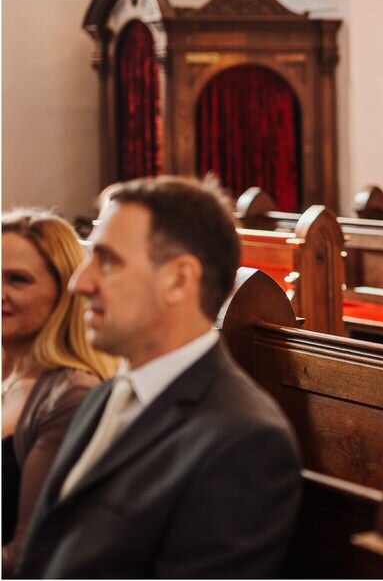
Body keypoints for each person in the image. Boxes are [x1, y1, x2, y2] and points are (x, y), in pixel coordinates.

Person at [14, 176, 302, 578]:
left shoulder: (243, 440)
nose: (79, 282)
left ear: (179, 280)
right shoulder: (106, 394)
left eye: (107, 260)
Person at [1, 211, 117, 575]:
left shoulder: (72, 396)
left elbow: (30, 555)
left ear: (65, 292)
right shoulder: (8, 371)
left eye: (17, 280)